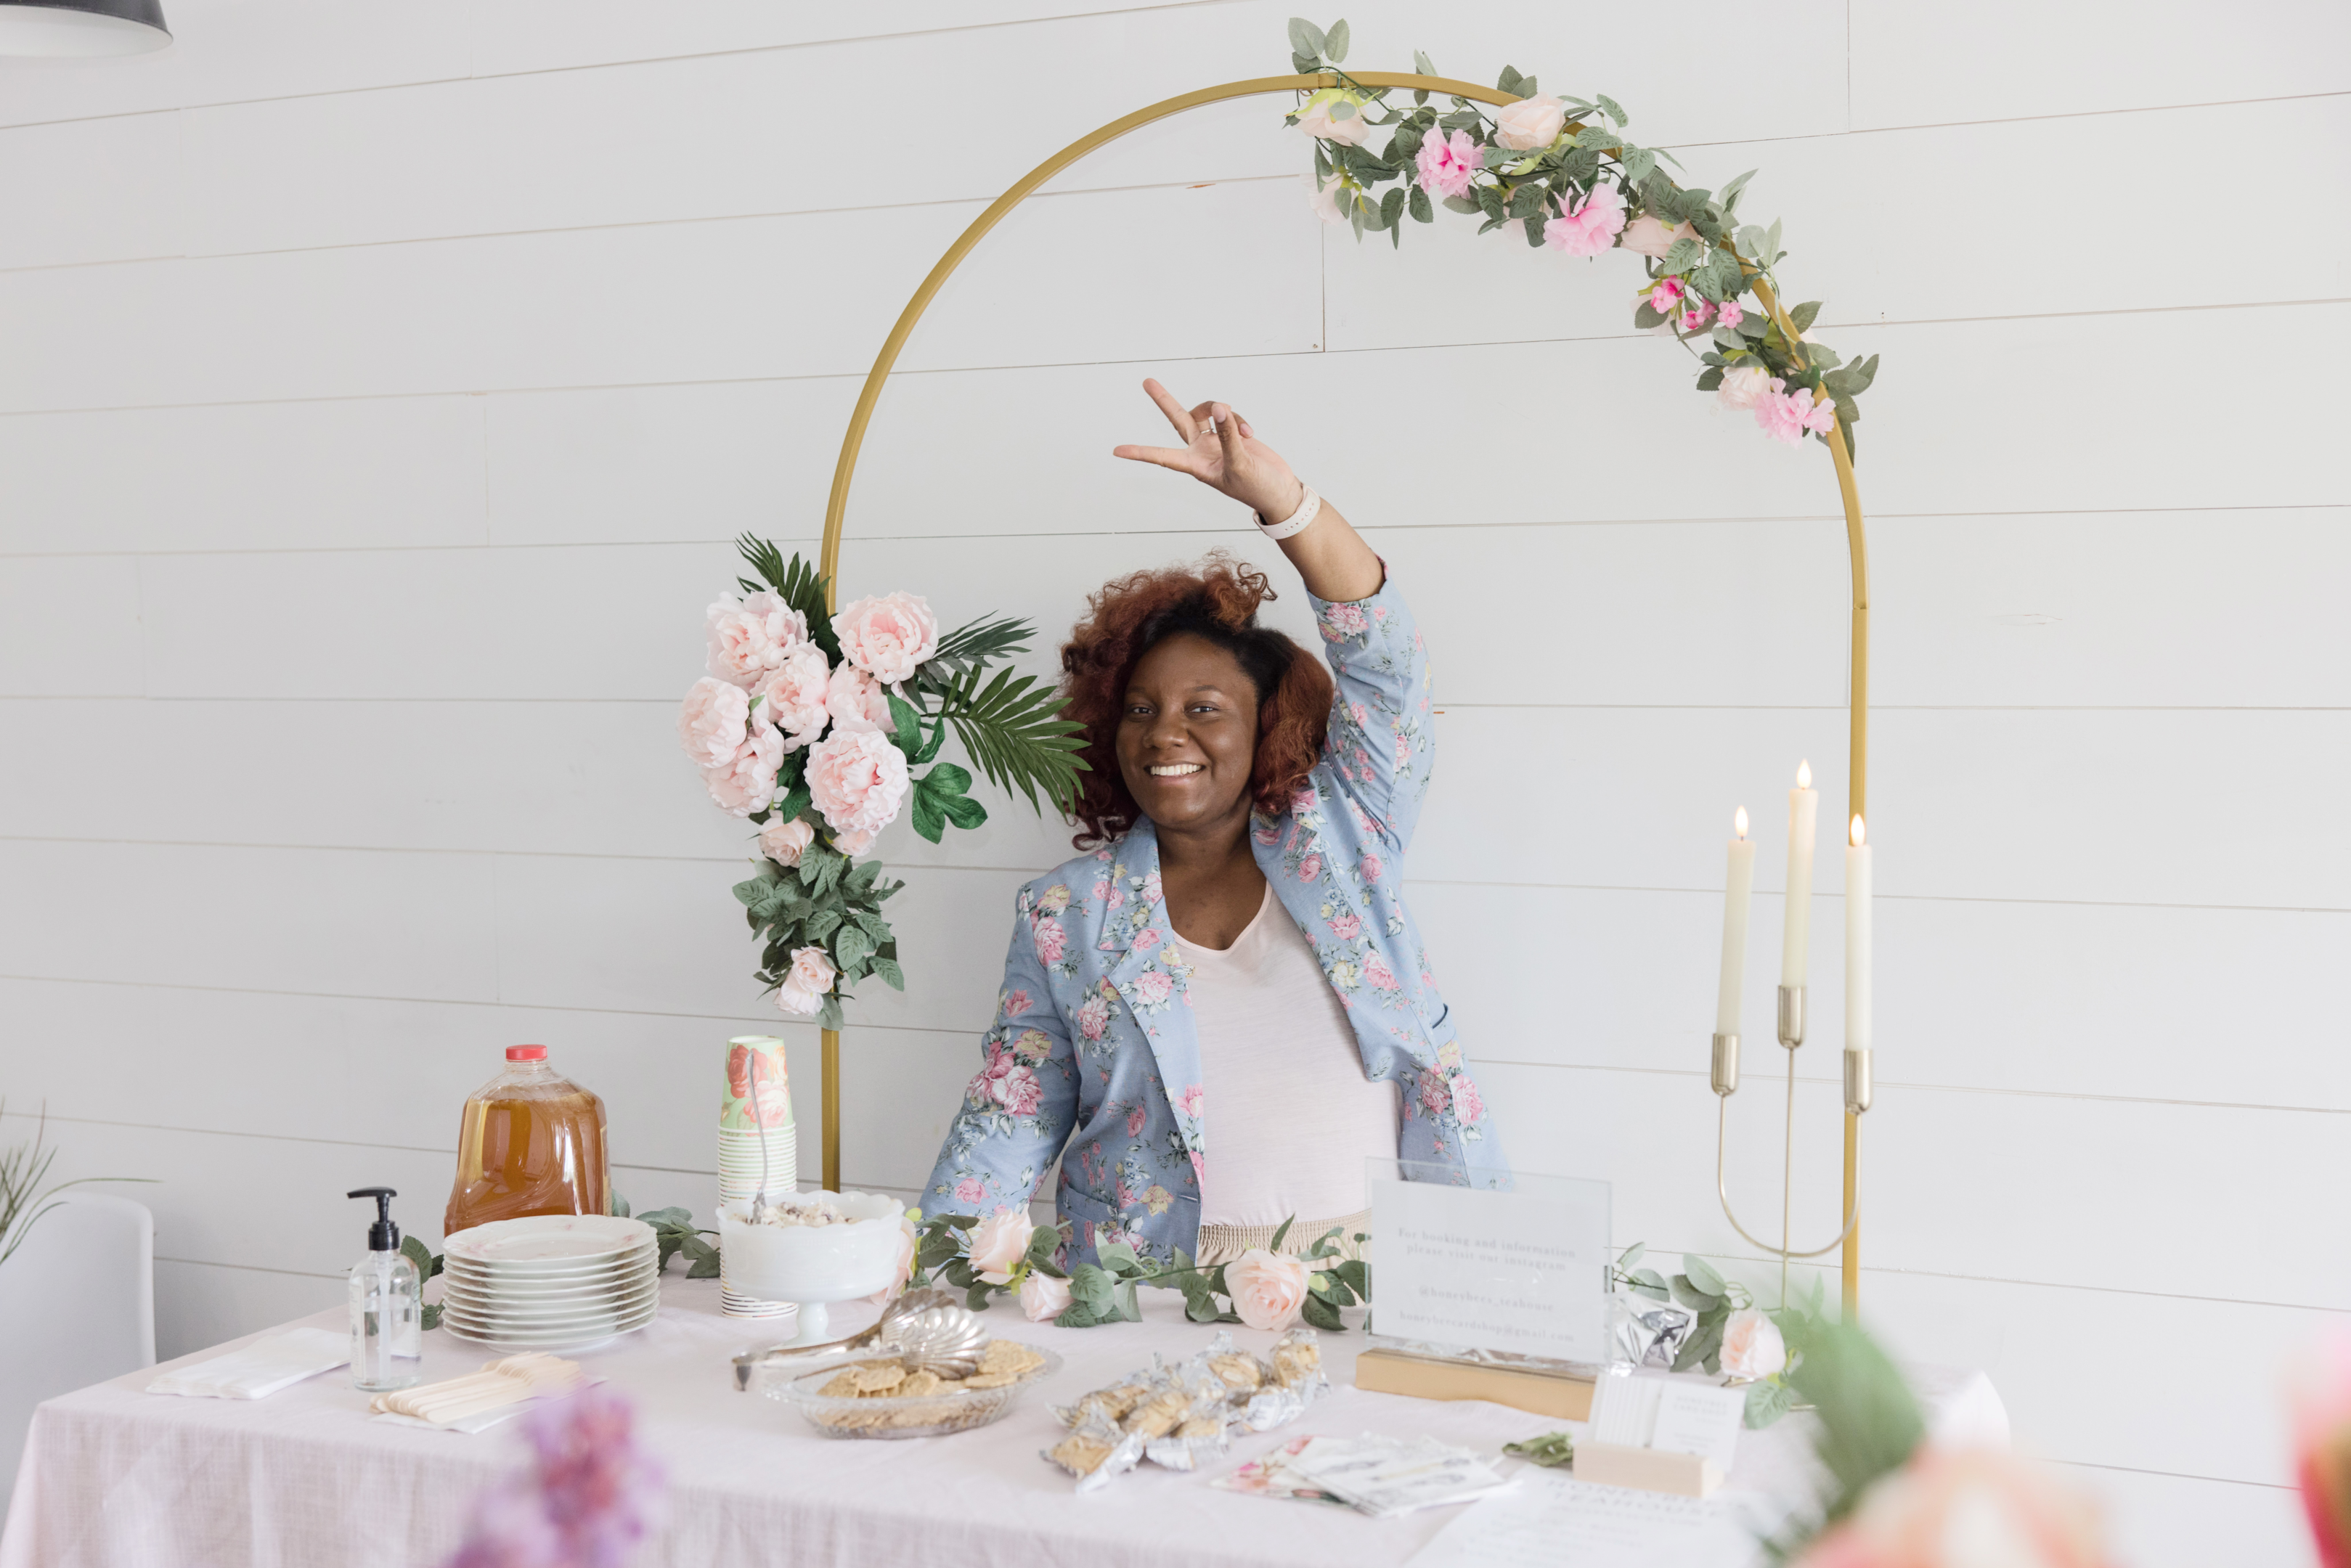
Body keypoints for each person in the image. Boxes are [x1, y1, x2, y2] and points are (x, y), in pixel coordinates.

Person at [922, 379, 1507, 1269]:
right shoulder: (1064, 917)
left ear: (1266, 721)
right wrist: (926, 1281)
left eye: (1204, 707)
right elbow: (1007, 1120)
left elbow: (1389, 667)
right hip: (1150, 1299)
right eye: (1140, 709)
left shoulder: (1347, 834)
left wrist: (1283, 504)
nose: (1165, 733)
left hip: (1384, 1279)